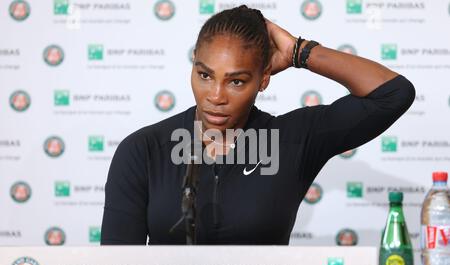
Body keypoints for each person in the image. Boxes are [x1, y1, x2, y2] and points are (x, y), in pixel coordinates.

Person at [100, 5, 415, 245]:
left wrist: (299, 52)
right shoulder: (144, 150)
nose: (216, 96)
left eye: (236, 81)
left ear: (264, 78)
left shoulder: (291, 140)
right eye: (205, 75)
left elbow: (393, 95)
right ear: (194, 63)